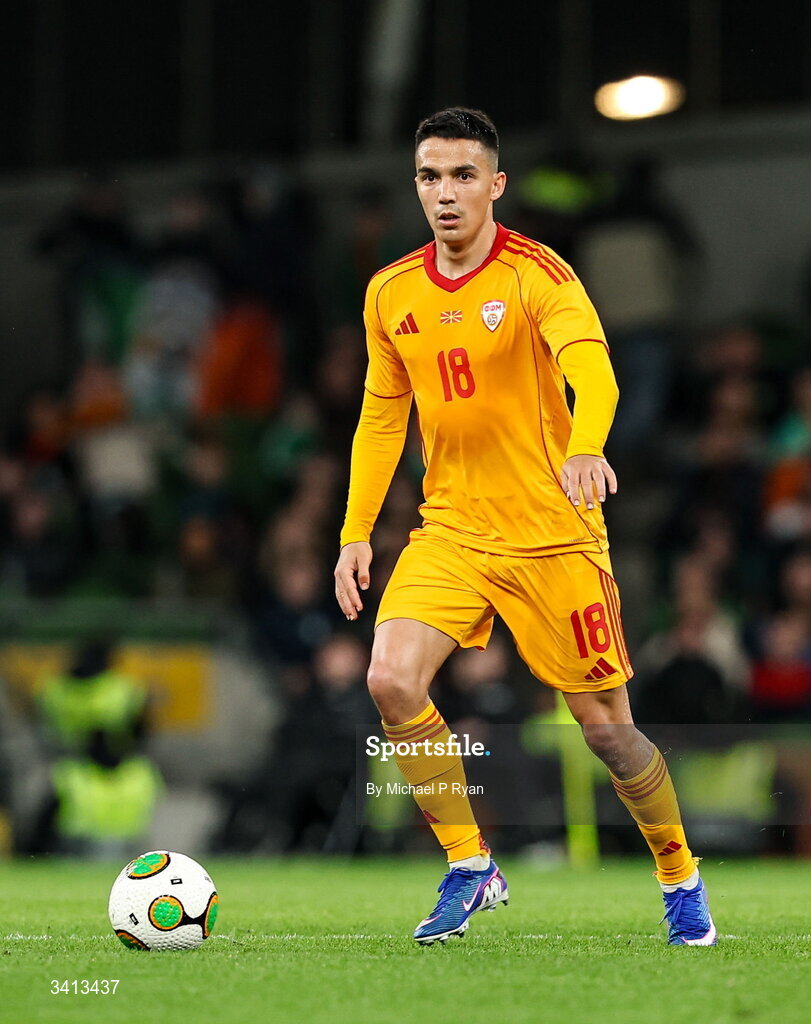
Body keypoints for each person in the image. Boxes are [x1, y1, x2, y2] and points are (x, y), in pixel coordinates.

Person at [334, 108, 716, 947]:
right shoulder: (391, 292)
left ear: (495, 185)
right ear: (416, 186)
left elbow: (595, 372)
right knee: (391, 681)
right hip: (451, 531)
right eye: (430, 176)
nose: (445, 193)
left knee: (609, 734)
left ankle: (678, 875)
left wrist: (586, 449)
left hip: (553, 533)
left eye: (463, 175)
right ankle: (470, 866)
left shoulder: (537, 273)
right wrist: (355, 531)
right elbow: (378, 418)